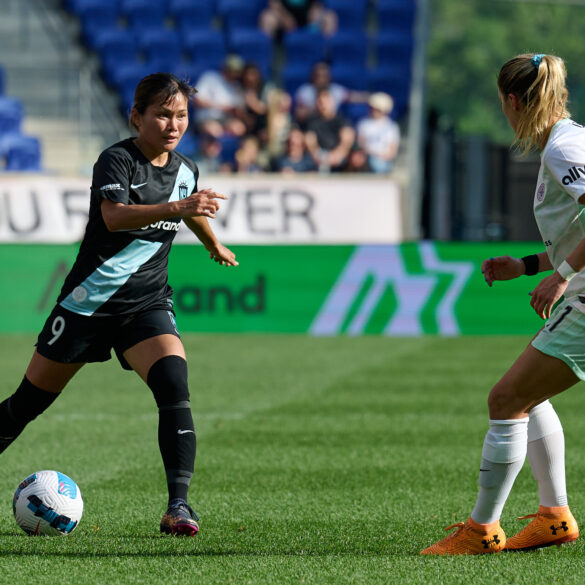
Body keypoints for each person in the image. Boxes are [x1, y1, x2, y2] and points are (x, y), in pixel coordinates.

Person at [0, 73, 238, 537]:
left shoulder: (186, 169)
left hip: (145, 304)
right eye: (163, 114)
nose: (173, 124)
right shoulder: (116, 160)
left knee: (173, 382)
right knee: (25, 405)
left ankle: (179, 507)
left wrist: (212, 241)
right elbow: (113, 217)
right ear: (137, 116)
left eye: (182, 115)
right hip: (88, 304)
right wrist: (180, 209)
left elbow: (187, 209)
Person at [421, 53, 582, 555]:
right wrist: (531, 266)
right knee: (525, 398)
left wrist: (561, 275)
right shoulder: (567, 140)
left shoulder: (564, 148)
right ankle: (554, 515)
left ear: (513, 101)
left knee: (506, 400)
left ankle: (481, 530)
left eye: (503, 106)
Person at [193, 55, 247, 138]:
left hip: (226, 120)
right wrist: (221, 107)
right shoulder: (210, 77)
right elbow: (197, 100)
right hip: (206, 119)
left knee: (239, 128)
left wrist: (236, 111)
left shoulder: (237, 86)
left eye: (237, 71)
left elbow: (239, 110)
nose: (235, 73)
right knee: (215, 131)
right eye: (232, 70)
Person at [304, 88, 355, 173]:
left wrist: (336, 156)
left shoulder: (342, 121)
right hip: (318, 159)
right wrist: (320, 156)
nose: (323, 105)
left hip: (339, 158)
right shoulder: (312, 122)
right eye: (320, 102)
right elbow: (310, 141)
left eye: (326, 101)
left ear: (333, 102)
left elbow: (346, 141)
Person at [356, 92, 400, 174]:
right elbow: (361, 144)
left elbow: (392, 150)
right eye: (372, 108)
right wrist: (370, 154)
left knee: (379, 165)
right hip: (367, 158)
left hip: (383, 161)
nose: (373, 111)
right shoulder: (364, 123)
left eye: (376, 109)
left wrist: (381, 157)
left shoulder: (391, 127)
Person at [259, 0, 337, 39]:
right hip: (284, 15)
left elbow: (318, 3)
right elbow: (274, 3)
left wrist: (314, 10)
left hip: (308, 14)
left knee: (329, 18)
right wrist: (284, 17)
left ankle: (324, 59)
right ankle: (273, 59)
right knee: (267, 19)